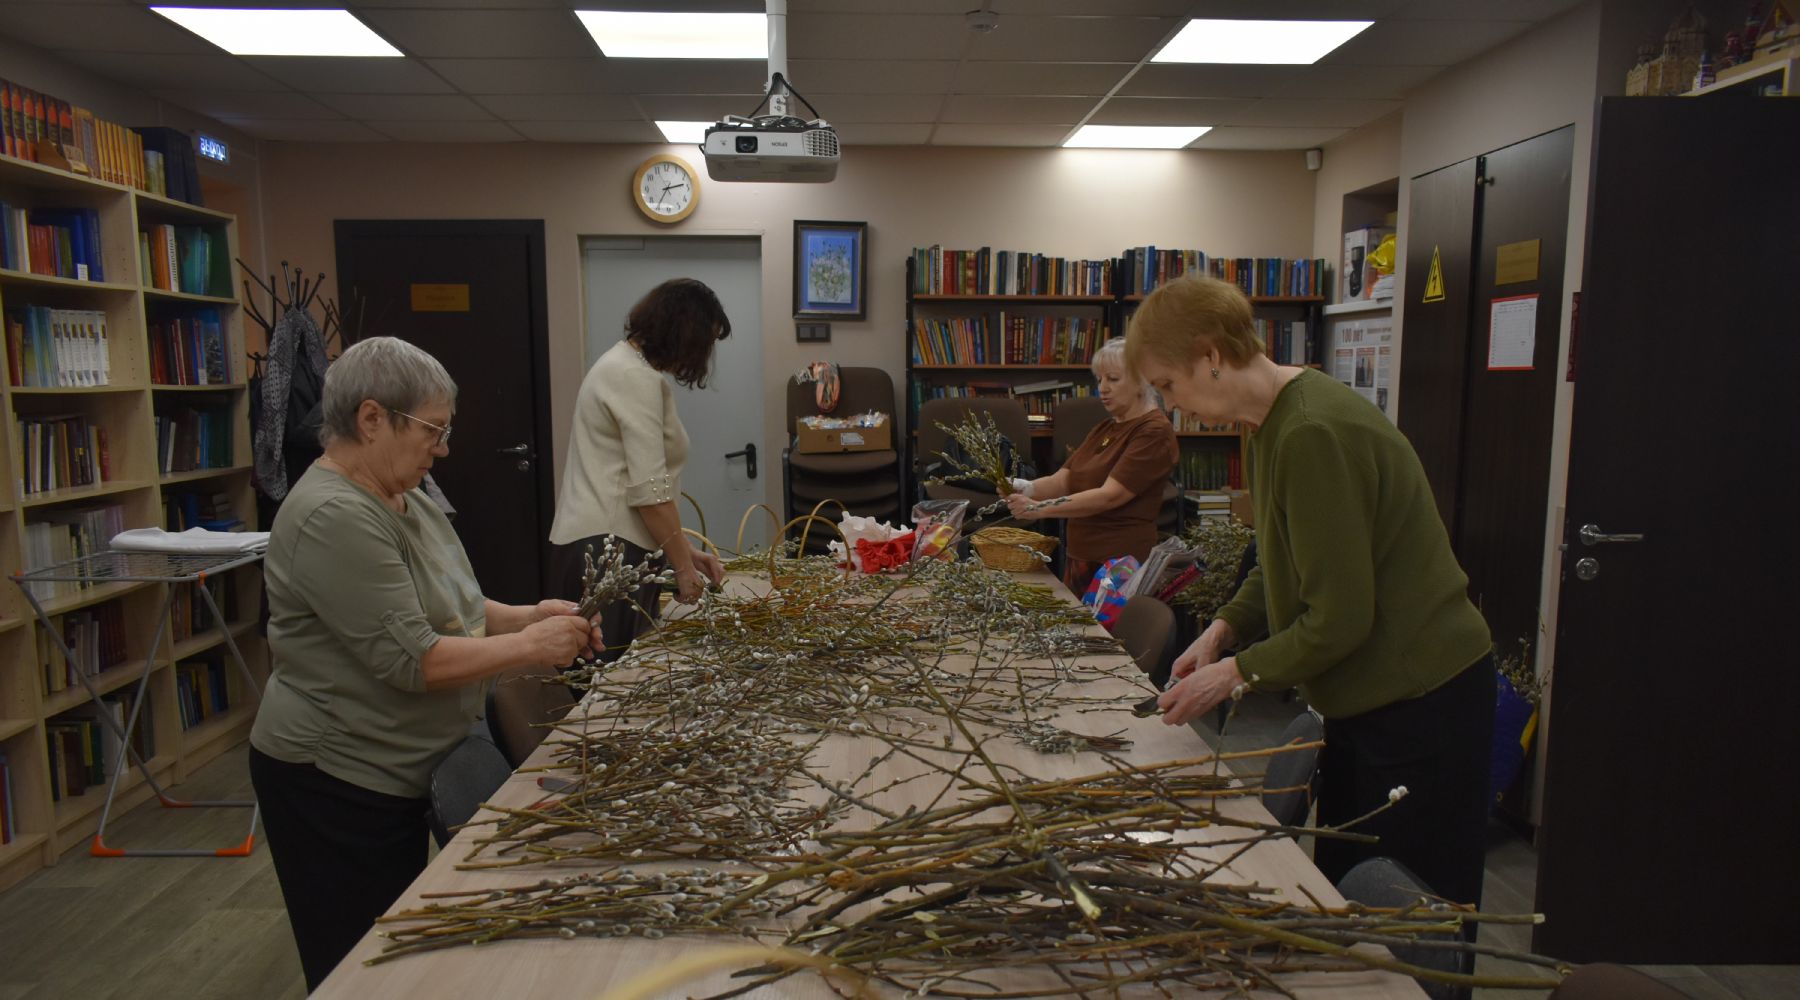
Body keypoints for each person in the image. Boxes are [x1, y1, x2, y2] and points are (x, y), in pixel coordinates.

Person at [1126, 275, 1495, 909]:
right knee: (1352, 889)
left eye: (1168, 384)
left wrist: (1235, 675)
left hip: (1420, 698)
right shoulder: (1269, 421)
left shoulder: (1308, 433)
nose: (1170, 404)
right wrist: (1225, 629)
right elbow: (1283, 559)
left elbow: (1340, 619)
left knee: (1410, 914)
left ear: (1211, 356)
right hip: (1371, 698)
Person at [249, 337, 602, 991]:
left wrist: (529, 615)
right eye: (432, 431)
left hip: (401, 765)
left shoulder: (403, 494)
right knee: (360, 969)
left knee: (401, 959)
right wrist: (532, 649)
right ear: (372, 418)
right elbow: (420, 661)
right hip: (337, 780)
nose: (440, 448)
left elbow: (456, 607)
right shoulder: (334, 515)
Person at [549, 278, 730, 658]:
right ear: (685, 333)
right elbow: (650, 493)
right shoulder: (633, 376)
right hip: (608, 552)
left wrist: (683, 552)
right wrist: (682, 567)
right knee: (609, 686)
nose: (704, 355)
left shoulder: (623, 367)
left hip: (611, 547)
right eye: (706, 342)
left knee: (617, 673)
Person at [1002, 337, 1178, 593]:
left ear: (1142, 380)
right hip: (1082, 556)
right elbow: (1063, 480)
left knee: (1103, 633)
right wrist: (1021, 487)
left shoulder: (1153, 431)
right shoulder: (1106, 427)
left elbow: (1110, 496)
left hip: (1119, 562)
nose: (1102, 388)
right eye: (1099, 379)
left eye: (1113, 379)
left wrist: (1040, 509)